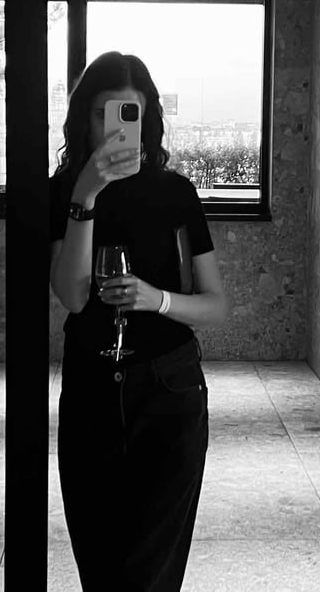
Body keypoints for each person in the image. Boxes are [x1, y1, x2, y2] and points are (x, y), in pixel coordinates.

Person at [49, 51, 230, 590]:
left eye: (129, 114)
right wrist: (86, 194)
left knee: (150, 573)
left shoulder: (176, 193)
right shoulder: (63, 190)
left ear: (147, 118)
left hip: (168, 387)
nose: (115, 128)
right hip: (90, 387)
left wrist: (157, 299)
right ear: (84, 118)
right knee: (100, 568)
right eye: (103, 114)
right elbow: (73, 297)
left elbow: (216, 305)